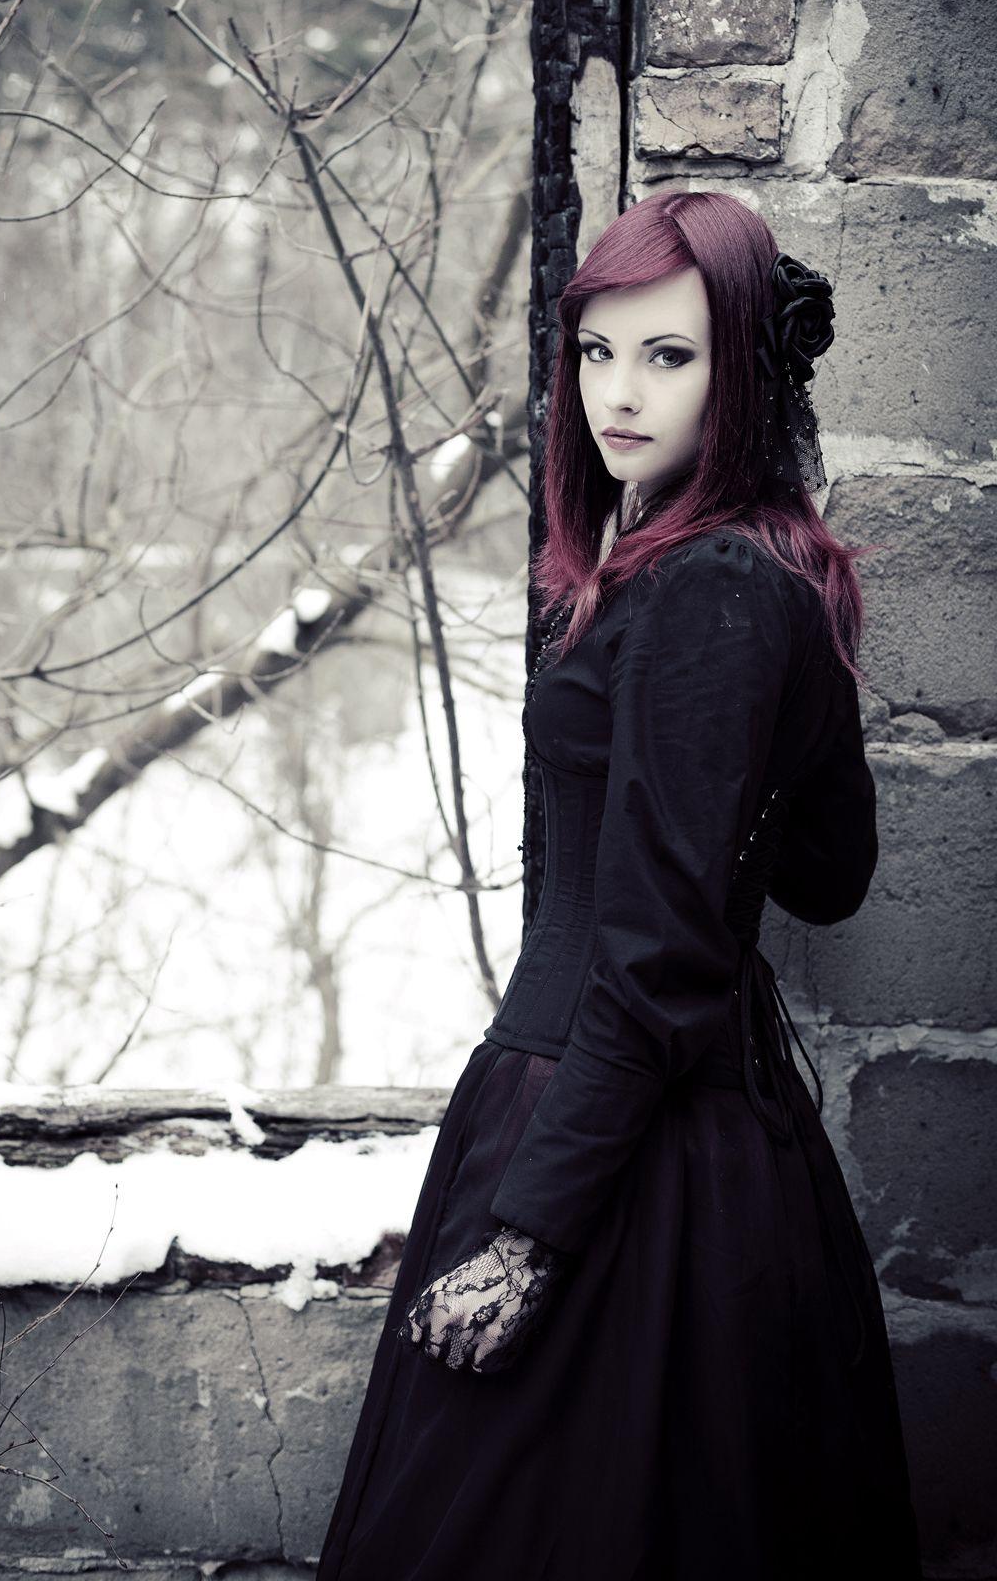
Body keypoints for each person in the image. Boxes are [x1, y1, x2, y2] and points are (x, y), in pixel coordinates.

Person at [313, 189, 924, 1580]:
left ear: (745, 372)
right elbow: (828, 872)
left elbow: (657, 957)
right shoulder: (730, 574)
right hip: (672, 1125)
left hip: (615, 1148)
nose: (618, 395)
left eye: (669, 355)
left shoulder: (712, 589)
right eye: (596, 351)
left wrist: (529, 1238)